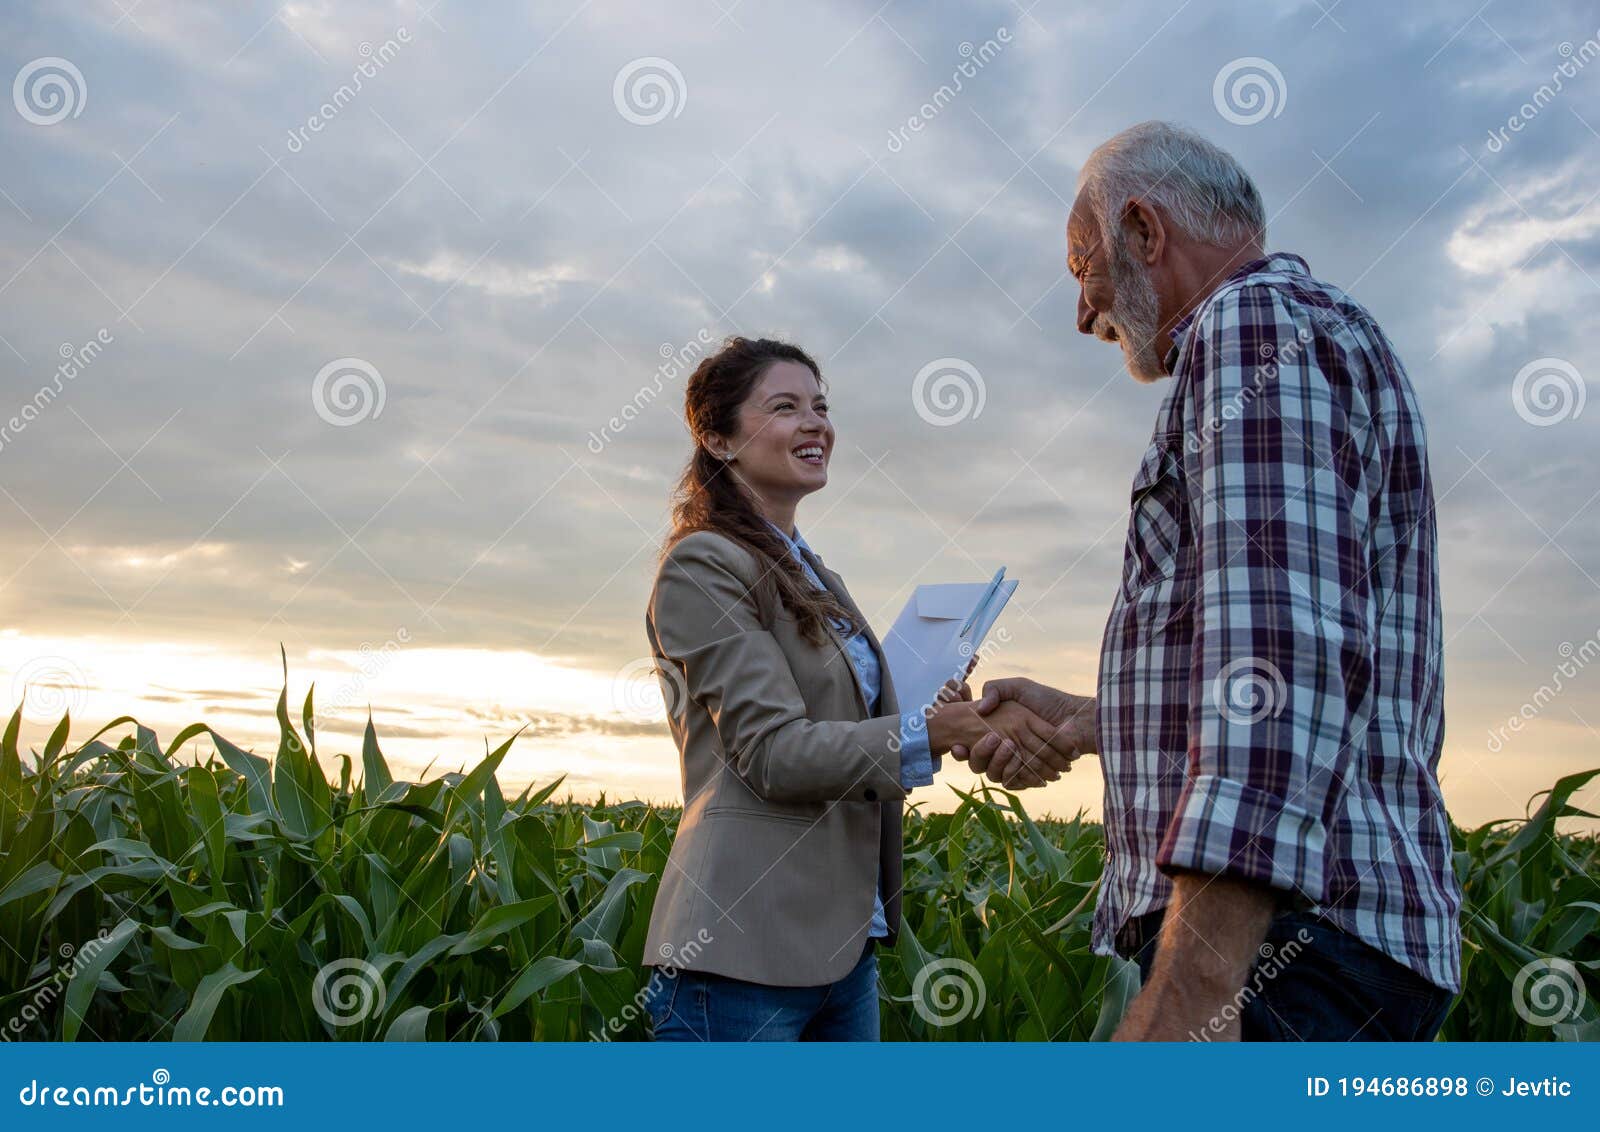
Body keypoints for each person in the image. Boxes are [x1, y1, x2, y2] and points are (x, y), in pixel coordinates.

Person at [955, 121, 1462, 1041]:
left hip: (1285, 952)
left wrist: (1192, 995)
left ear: (1145, 232)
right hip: (1307, 946)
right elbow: (1297, 655)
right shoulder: (1307, 333)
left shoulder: (1250, 325)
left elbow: (1281, 658)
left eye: (1082, 268)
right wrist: (1089, 718)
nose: (1082, 311)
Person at [641, 335, 1071, 1041]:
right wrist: (929, 733)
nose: (816, 423)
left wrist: (941, 711)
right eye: (785, 407)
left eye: (821, 406)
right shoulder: (703, 565)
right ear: (717, 440)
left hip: (844, 953)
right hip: (740, 951)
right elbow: (774, 753)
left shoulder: (819, 578)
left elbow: (852, 729)